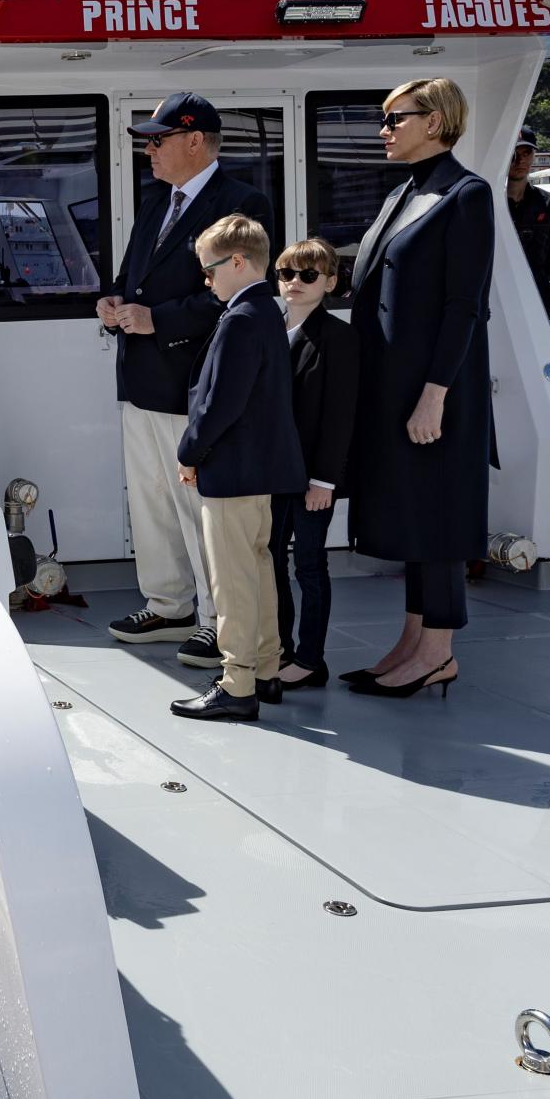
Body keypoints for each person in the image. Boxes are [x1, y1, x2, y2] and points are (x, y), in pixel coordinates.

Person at [98, 91, 275, 665]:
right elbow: (135, 275)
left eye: (158, 139)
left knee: (197, 507)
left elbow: (242, 294)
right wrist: (115, 301)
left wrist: (160, 320)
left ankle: (214, 618)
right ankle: (169, 603)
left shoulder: (242, 202)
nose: (148, 150)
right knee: (150, 499)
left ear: (194, 140)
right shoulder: (156, 201)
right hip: (142, 375)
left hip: (194, 379)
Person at [343, 78, 493, 698]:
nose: (384, 130)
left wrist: (435, 393)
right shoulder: (407, 191)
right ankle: (411, 641)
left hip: (436, 394)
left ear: (435, 122)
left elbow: (465, 306)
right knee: (410, 517)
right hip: (393, 388)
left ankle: (438, 653)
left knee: (437, 519)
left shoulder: (466, 194)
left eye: (395, 118)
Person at [170, 215, 306, 721]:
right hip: (259, 473)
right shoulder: (267, 313)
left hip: (232, 473)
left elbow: (219, 405)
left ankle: (237, 683)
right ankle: (266, 670)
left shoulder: (241, 319)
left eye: (209, 270)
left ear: (238, 262)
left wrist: (188, 453)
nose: (206, 281)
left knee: (233, 582)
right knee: (258, 570)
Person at [267, 237, 357, 690]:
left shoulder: (339, 337)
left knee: (308, 564)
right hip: (272, 473)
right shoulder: (265, 328)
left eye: (307, 275)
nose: (295, 283)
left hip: (312, 477)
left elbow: (340, 416)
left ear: (331, 282)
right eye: (287, 274)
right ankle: (281, 648)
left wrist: (325, 481)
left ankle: (310, 658)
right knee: (269, 561)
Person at [505, 125, 550, 316]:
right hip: (496, 304)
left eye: (527, 152)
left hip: (537, 303)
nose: (520, 160)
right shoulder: (484, 202)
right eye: (514, 153)